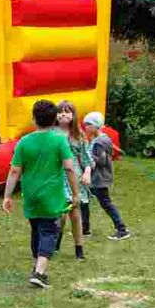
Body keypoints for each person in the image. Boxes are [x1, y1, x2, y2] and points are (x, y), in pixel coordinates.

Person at [2, 99, 79, 288]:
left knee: (36, 228)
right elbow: (69, 168)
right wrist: (75, 193)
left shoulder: (24, 142)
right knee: (49, 231)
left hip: (31, 194)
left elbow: (14, 171)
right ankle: (39, 272)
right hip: (51, 194)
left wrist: (7, 195)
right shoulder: (59, 140)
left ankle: (37, 264)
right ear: (54, 120)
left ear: (33, 119)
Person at [82, 112, 131, 240]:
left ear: (95, 126)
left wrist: (86, 157)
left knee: (106, 204)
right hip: (96, 178)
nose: (86, 127)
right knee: (84, 200)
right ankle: (84, 229)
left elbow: (101, 161)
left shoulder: (99, 142)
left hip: (99, 179)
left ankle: (122, 229)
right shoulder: (100, 139)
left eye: (88, 125)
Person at [55, 100, 90, 259]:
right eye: (60, 111)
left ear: (73, 115)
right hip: (56, 177)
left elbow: (86, 158)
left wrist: (87, 172)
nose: (63, 114)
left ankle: (79, 248)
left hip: (73, 178)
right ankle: (56, 241)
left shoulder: (78, 135)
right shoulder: (51, 134)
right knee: (60, 215)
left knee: (75, 215)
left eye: (67, 111)